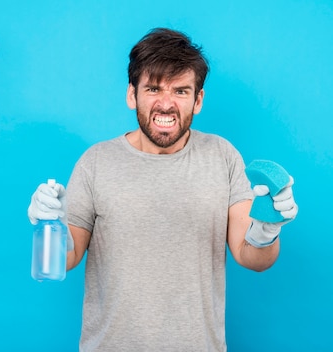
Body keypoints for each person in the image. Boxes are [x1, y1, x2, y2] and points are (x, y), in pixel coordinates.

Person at [27, 28, 298, 351]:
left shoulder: (222, 156)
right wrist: (51, 224)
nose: (166, 104)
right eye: (153, 89)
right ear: (132, 95)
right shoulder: (96, 162)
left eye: (181, 91)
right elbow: (65, 259)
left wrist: (265, 232)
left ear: (198, 100)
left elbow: (251, 256)